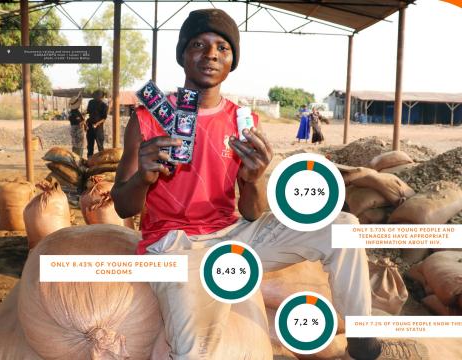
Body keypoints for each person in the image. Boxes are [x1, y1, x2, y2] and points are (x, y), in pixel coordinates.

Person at [111, 9, 427, 360]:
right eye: (198, 45)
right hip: (174, 247)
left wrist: (253, 179)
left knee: (345, 227)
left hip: (232, 235)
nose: (211, 54)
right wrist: (143, 176)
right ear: (183, 55)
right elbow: (124, 206)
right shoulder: (147, 120)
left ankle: (361, 337)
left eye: (222, 47)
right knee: (194, 350)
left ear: (232, 61)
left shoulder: (242, 121)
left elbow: (252, 212)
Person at [86, 89, 108, 157]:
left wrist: (97, 124)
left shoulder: (104, 105)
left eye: (98, 96)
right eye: (95, 96)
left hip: (99, 129)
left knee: (100, 147)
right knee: (90, 146)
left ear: (101, 97)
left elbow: (104, 118)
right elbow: (88, 112)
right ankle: (89, 161)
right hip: (90, 126)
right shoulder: (91, 102)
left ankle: (102, 163)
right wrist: (85, 117)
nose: (96, 97)